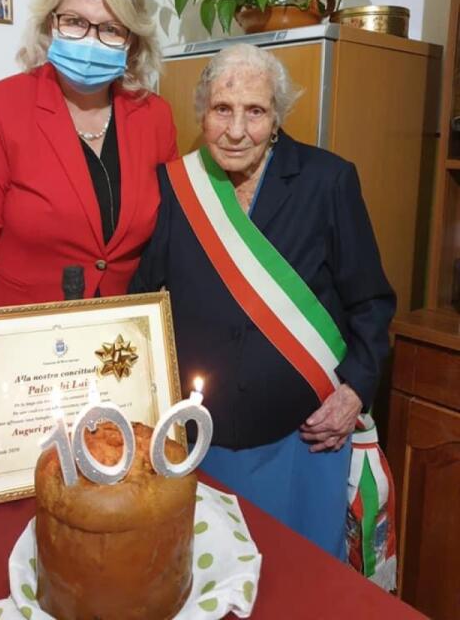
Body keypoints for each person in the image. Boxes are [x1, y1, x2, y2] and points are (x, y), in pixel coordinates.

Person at [130, 43, 396, 561]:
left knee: (302, 580)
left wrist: (353, 392)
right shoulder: (176, 187)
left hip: (305, 441)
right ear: (202, 114)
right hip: (202, 439)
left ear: (276, 119)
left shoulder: (328, 180)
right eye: (222, 109)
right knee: (212, 573)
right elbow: (143, 297)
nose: (236, 130)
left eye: (255, 111)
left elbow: (371, 302)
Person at [0, 0, 177, 310]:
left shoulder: (154, 116)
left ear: (132, 42)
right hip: (24, 328)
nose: (90, 40)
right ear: (51, 24)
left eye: (111, 29)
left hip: (124, 328)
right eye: (75, 21)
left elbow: (171, 235)